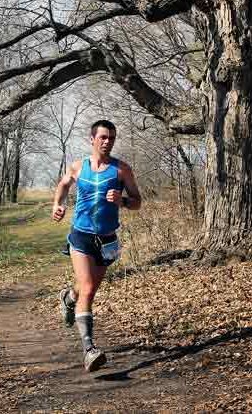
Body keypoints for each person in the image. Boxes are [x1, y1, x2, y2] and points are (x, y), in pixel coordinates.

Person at [51, 119, 142, 372]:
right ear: (92, 139)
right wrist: (58, 205)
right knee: (89, 288)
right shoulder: (79, 166)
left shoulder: (122, 170)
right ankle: (89, 349)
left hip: (107, 239)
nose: (107, 142)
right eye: (103, 137)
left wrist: (122, 201)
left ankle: (69, 298)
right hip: (80, 236)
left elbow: (137, 202)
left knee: (84, 290)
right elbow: (63, 184)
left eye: (111, 138)